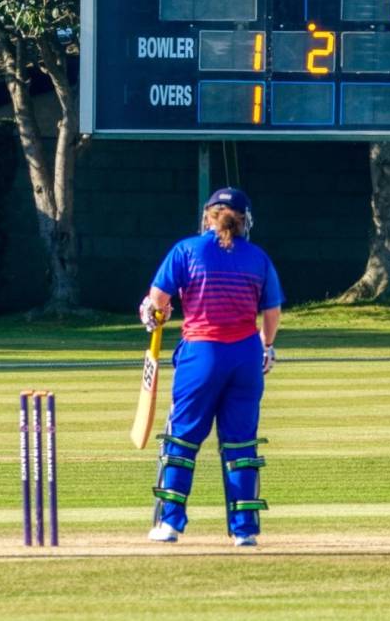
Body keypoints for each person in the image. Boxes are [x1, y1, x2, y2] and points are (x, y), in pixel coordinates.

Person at [140, 187, 283, 547]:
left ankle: (170, 524)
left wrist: (153, 312)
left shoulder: (187, 250)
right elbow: (272, 311)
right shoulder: (258, 258)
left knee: (182, 440)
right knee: (241, 445)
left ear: (207, 216)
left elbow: (158, 301)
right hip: (246, 356)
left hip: (201, 354)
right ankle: (244, 531)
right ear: (245, 220)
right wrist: (267, 346)